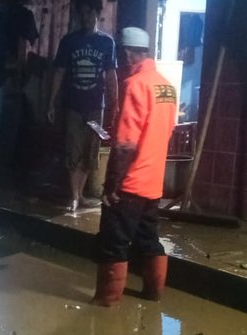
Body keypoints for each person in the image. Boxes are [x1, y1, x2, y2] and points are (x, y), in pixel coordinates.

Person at [91, 27, 177, 306]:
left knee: (113, 242)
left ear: (128, 53)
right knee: (148, 240)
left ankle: (106, 301)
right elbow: (166, 130)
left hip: (130, 184)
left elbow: (126, 143)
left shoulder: (135, 84)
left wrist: (112, 185)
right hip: (153, 184)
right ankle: (153, 294)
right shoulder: (165, 86)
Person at [47, 0, 118, 213]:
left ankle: (82, 194)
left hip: (97, 107)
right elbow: (59, 73)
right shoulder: (68, 41)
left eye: (90, 15)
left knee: (90, 151)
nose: (86, 19)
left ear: (97, 15)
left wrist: (115, 104)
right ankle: (75, 196)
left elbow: (111, 75)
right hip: (73, 105)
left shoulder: (107, 43)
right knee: (73, 149)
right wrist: (51, 103)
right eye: (83, 15)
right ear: (78, 16)